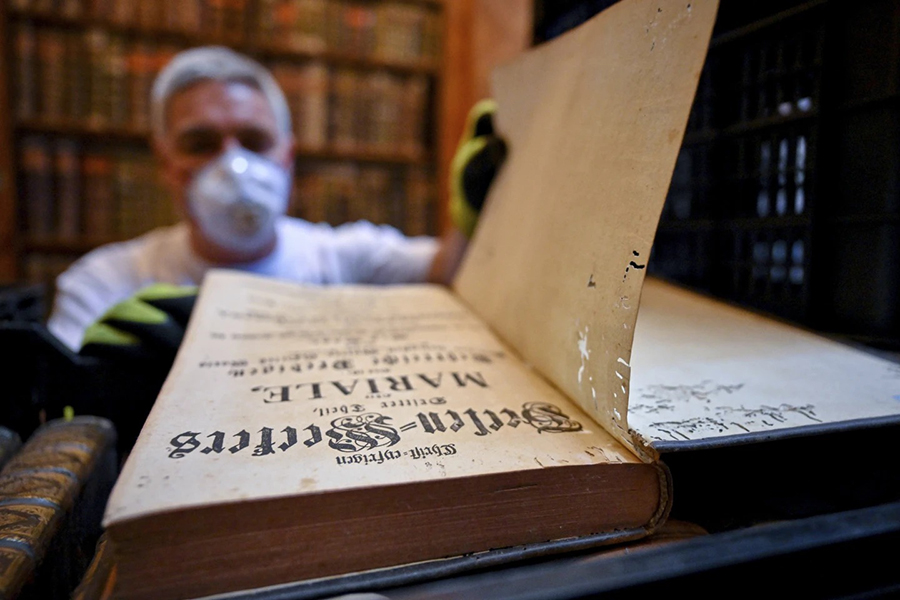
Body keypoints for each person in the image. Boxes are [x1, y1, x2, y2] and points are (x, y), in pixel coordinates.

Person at [47, 46, 501, 352]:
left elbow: (448, 272)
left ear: (286, 155)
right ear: (165, 161)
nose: (232, 164)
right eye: (200, 143)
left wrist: (470, 210)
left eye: (253, 139)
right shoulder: (103, 285)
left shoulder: (341, 259)